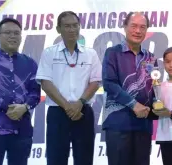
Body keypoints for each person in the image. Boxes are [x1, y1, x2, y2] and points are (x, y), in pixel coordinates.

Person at [36, 11, 102, 165]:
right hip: (58, 112)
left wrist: (79, 104)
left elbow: (95, 82)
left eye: (75, 25)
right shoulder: (49, 53)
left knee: (84, 158)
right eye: (67, 26)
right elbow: (46, 83)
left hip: (83, 111)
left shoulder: (90, 54)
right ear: (58, 29)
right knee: (56, 158)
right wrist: (68, 107)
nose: (72, 30)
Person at [0, 18, 41, 165]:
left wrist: (23, 107)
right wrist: (10, 106)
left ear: (21, 37)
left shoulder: (30, 63)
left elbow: (35, 93)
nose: (12, 36)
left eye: (16, 33)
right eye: (8, 32)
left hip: (22, 129)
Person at [102, 12, 158, 165]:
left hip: (143, 125)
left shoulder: (151, 58)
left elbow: (154, 89)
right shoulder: (113, 53)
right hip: (118, 123)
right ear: (125, 27)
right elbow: (109, 83)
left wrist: (158, 105)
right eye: (133, 26)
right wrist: (134, 105)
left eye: (142, 27)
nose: (138, 31)